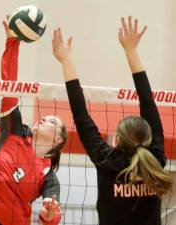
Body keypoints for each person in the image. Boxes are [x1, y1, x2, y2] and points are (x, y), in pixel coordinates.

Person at [52, 16, 174, 225]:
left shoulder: (106, 160)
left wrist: (66, 60)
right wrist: (132, 51)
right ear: (148, 136)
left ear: (116, 140)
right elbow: (148, 102)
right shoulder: (156, 158)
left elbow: (80, 114)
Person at [0, 18, 66, 225]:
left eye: (49, 121)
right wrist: (12, 43)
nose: (41, 119)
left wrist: (51, 214)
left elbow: (53, 215)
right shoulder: (15, 132)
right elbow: (9, 87)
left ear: (58, 138)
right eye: (43, 117)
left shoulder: (48, 176)